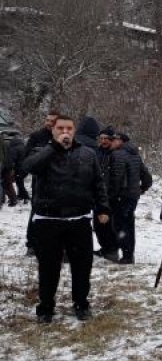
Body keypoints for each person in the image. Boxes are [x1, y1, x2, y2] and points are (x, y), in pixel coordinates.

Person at [22, 114, 110, 323]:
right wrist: (53, 148)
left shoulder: (88, 154)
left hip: (78, 220)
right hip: (48, 220)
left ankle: (81, 304)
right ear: (53, 130)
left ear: (74, 131)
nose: (65, 132)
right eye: (60, 128)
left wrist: (103, 208)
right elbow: (28, 167)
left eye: (69, 128)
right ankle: (45, 307)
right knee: (48, 268)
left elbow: (98, 184)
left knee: (82, 266)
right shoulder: (41, 152)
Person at [108, 132, 152, 264]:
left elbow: (116, 179)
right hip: (133, 196)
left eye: (114, 139)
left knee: (120, 226)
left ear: (121, 141)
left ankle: (126, 255)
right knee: (129, 224)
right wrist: (141, 189)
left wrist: (111, 196)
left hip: (121, 196)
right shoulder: (135, 154)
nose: (111, 142)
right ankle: (129, 254)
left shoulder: (117, 154)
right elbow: (147, 177)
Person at [23, 111, 60, 255]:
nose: (49, 123)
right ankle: (31, 244)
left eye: (52, 121)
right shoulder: (36, 136)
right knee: (36, 211)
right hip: (40, 180)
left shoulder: (62, 137)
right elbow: (27, 159)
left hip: (59, 180)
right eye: (47, 120)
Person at [93, 126, 120, 261]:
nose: (103, 141)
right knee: (98, 225)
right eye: (101, 138)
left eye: (106, 138)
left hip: (111, 195)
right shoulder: (96, 152)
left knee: (108, 225)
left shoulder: (115, 154)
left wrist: (113, 194)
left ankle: (111, 251)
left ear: (111, 139)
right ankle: (106, 248)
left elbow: (116, 177)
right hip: (98, 194)